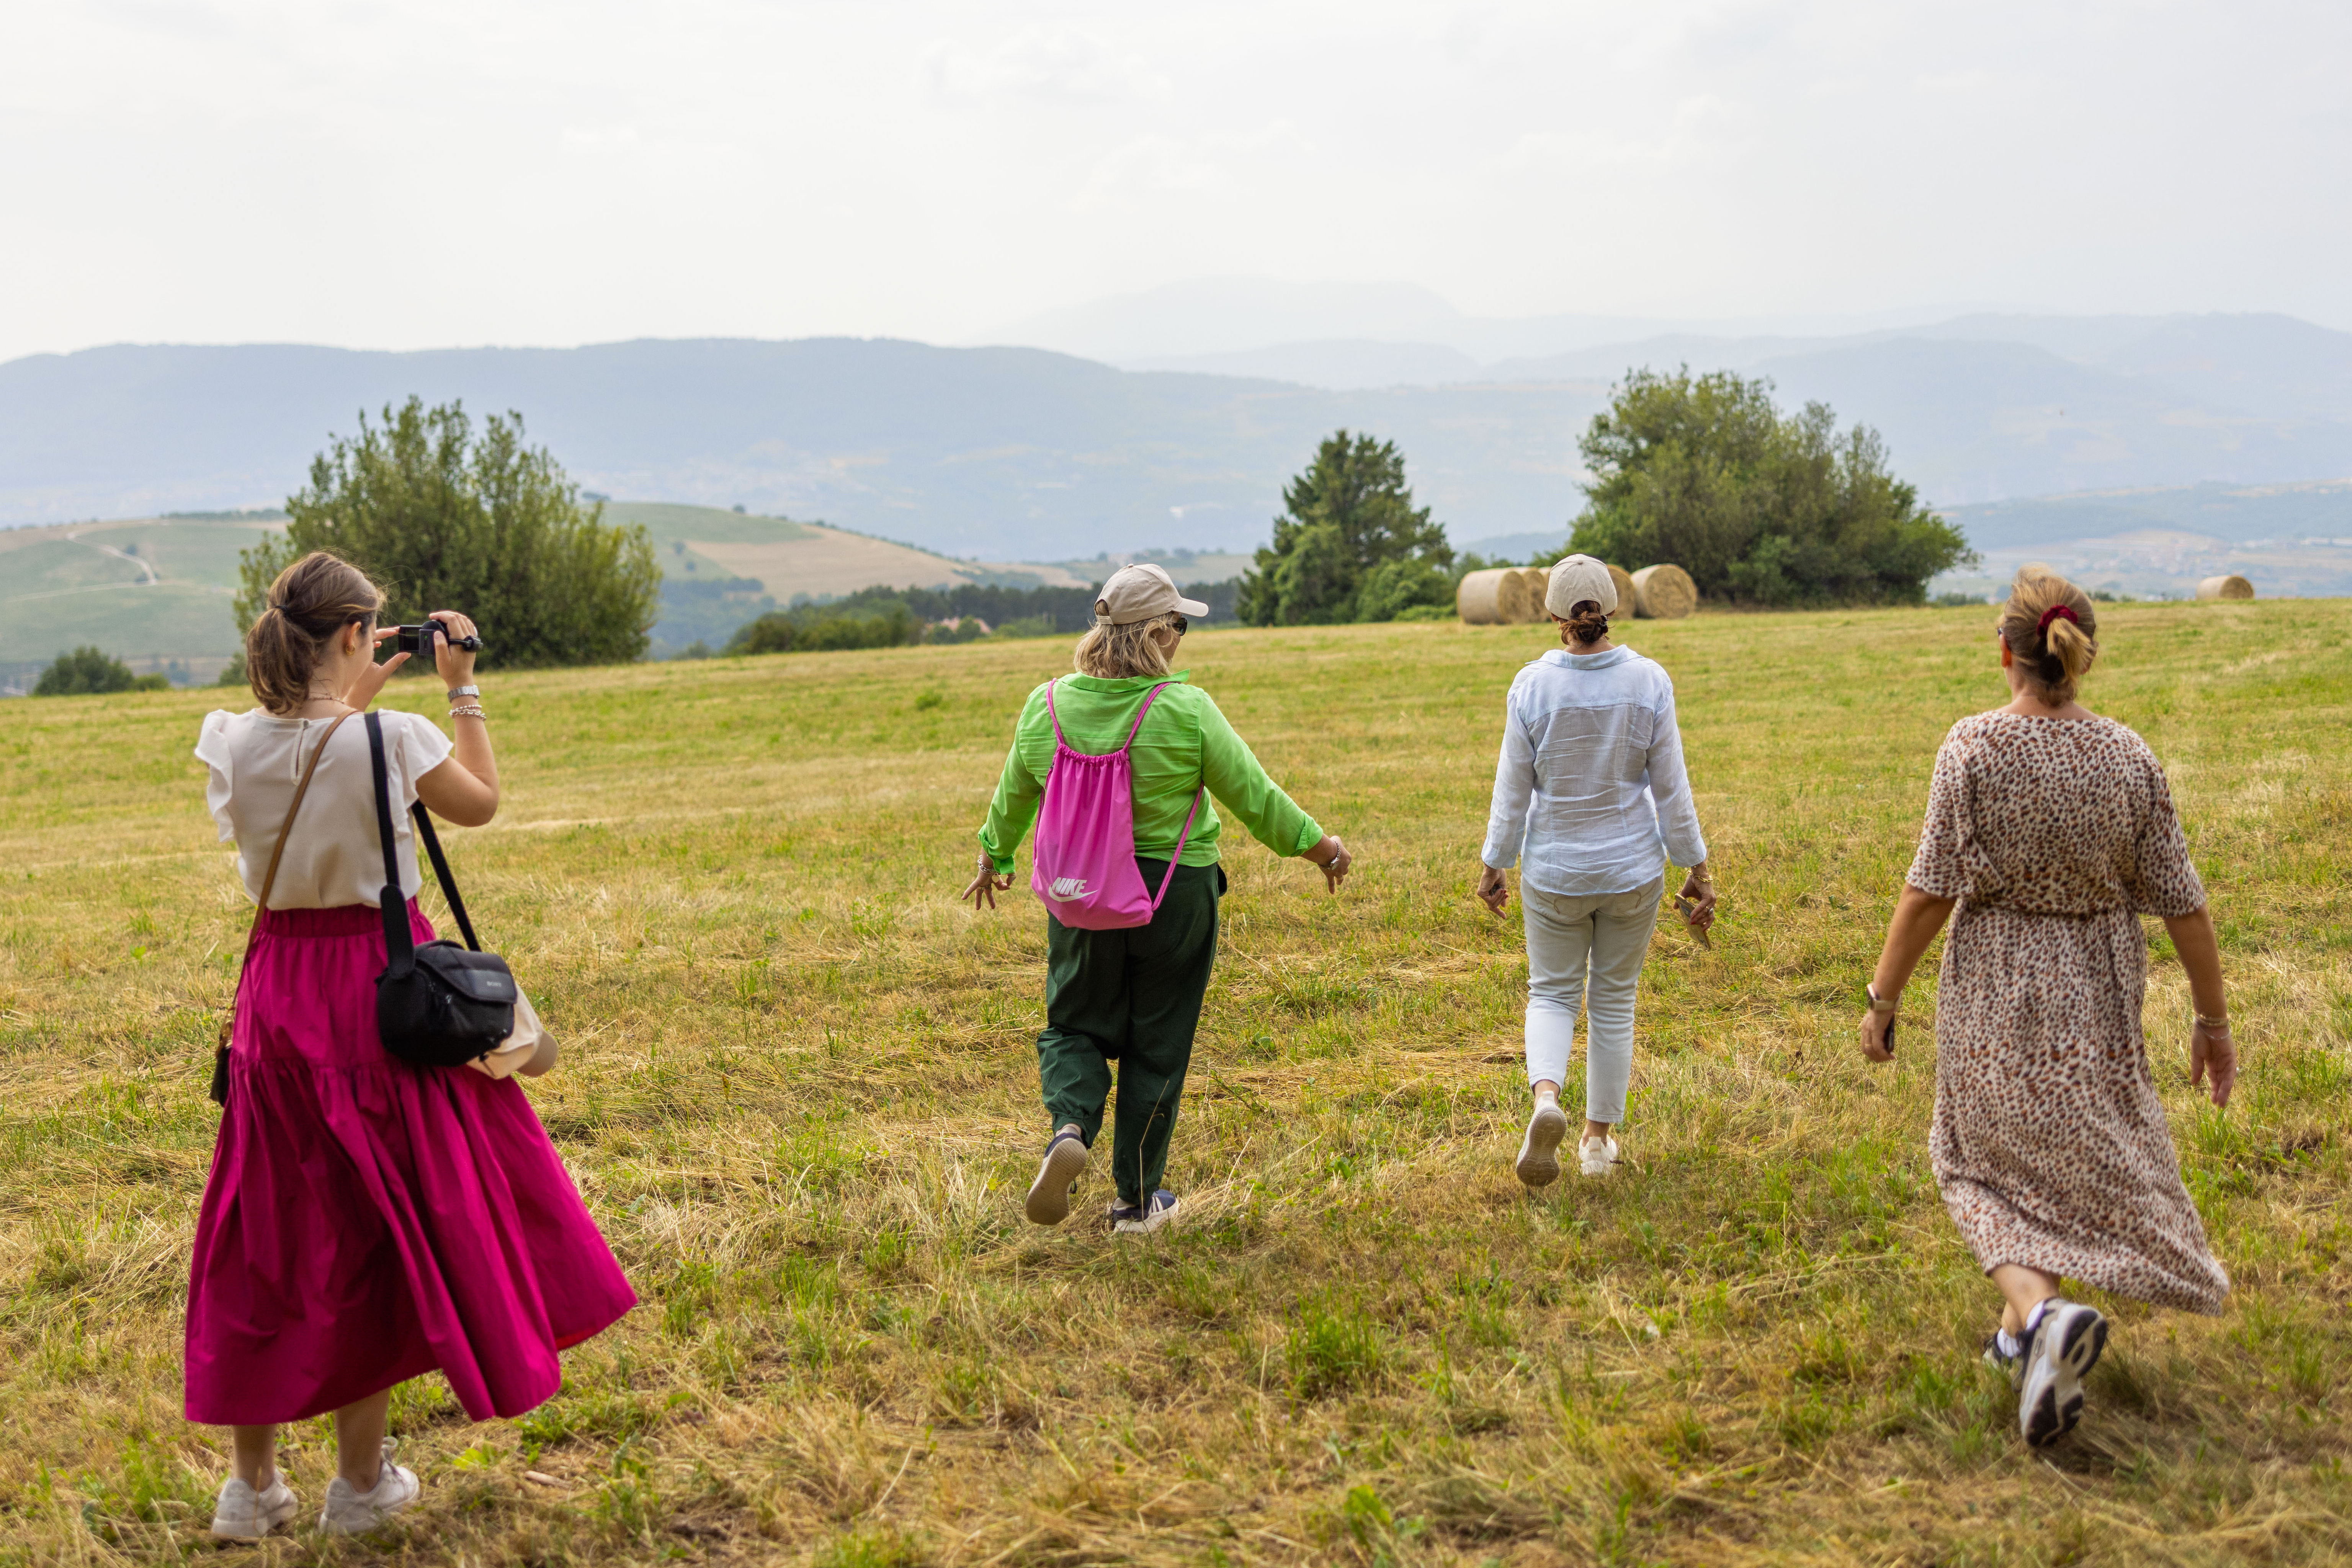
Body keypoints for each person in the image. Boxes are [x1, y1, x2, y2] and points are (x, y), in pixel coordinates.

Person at [188, 551, 635, 1539]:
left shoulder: (229, 741)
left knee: (267, 1230)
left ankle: (250, 1488)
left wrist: (366, 682)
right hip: (372, 995)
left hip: (273, 997)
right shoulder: (394, 737)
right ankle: (358, 1486)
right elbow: (478, 800)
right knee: (380, 1230)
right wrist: (463, 685)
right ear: (355, 636)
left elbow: (311, 735)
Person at [1859, 567, 2232, 1449]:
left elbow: (1928, 893)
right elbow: (2184, 902)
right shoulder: (2128, 755)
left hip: (1998, 978)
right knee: (2055, 1155)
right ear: (2083, 656)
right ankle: (2016, 1338)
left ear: (2007, 654)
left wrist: (1882, 996)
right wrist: (2213, 1021)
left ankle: (2040, 1312)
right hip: (2098, 980)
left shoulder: (1974, 748)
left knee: (1979, 1162)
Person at [964, 563, 1352, 1234]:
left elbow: (1014, 795)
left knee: (1071, 1026)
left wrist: (994, 855)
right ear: (1158, 635)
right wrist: (1322, 848)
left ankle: (1069, 1127)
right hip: (1174, 895)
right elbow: (1255, 799)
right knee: (1158, 1044)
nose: (1182, 637)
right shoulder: (1185, 709)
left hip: (1080, 895)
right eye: (1179, 624)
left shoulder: (1047, 704)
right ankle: (1138, 1205)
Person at [1475, 555, 1715, 1186]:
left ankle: (1546, 1099)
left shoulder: (1531, 685)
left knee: (1552, 993)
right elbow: (1672, 790)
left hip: (1555, 871)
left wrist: (1495, 864)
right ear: (1613, 609)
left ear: (1551, 613)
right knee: (1613, 1001)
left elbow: (1512, 790)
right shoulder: (1649, 681)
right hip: (1633, 871)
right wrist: (1697, 866)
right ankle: (1596, 1143)